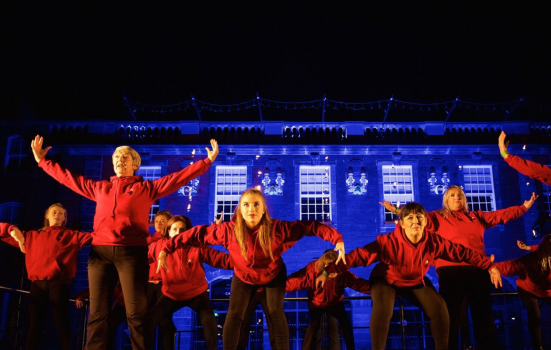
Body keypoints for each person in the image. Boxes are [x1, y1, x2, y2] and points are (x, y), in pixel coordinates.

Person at [30, 135, 219, 350]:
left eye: (126, 157)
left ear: (135, 165)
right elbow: (69, 178)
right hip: (100, 255)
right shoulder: (100, 188)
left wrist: (206, 161)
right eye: (117, 157)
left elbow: (177, 178)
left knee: (136, 314)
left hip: (131, 253)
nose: (120, 159)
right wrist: (42, 161)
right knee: (98, 314)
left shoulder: (147, 188)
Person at [157, 188, 346, 350]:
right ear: (240, 209)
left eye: (256, 204)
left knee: (275, 312)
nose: (251, 209)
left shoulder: (277, 229)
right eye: (246, 205)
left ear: (264, 209)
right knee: (235, 314)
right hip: (244, 277)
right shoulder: (228, 230)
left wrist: (336, 238)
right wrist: (167, 248)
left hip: (273, 275)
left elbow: (309, 227)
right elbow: (198, 234)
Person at [381, 186, 537, 350]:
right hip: (450, 271)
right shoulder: (438, 217)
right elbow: (417, 217)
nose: (457, 198)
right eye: (452, 195)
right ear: (446, 200)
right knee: (451, 316)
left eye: (460, 195)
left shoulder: (476, 217)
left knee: (483, 316)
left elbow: (499, 216)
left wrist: (523, 208)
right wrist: (398, 210)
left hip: (477, 270)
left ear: (464, 199)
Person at [336, 202, 502, 350]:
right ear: (401, 223)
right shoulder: (389, 242)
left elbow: (462, 253)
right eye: (409, 217)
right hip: (387, 280)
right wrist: (329, 270)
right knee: (382, 309)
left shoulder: (434, 241)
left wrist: (489, 266)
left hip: (415, 281)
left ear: (425, 221)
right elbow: (361, 255)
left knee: (439, 309)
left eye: (419, 216)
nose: (415, 221)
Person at [0, 203, 92, 350]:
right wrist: (11, 229)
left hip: (58, 283)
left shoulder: (72, 235)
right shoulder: (32, 236)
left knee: (61, 323)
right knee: (35, 324)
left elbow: (96, 237)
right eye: (54, 212)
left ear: (64, 219)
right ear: (47, 216)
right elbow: (2, 232)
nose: (57, 215)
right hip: (37, 284)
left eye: (61, 213)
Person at [146, 215, 232, 350]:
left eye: (182, 230)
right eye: (174, 229)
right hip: (171, 294)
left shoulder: (196, 247)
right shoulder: (159, 247)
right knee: (148, 322)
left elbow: (219, 259)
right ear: (168, 231)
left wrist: (243, 261)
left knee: (209, 321)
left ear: (187, 232)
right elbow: (138, 259)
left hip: (196, 293)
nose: (178, 233)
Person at [286, 249, 370, 350]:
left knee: (345, 325)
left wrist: (376, 289)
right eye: (327, 266)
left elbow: (358, 283)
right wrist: (278, 287)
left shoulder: (343, 274)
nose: (331, 271)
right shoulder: (313, 271)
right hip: (317, 302)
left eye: (333, 268)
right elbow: (296, 281)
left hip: (335, 302)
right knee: (314, 326)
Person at [494, 234, 551, 350]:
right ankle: (538, 347)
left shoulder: (542, 253)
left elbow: (540, 247)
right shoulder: (535, 259)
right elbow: (512, 266)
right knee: (535, 315)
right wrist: (489, 266)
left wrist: (528, 247)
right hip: (527, 287)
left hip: (546, 290)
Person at [146, 210, 176, 349]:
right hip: (149, 284)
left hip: (164, 284)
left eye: (162, 221)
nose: (158, 224)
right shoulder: (151, 240)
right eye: (157, 221)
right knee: (147, 320)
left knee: (165, 321)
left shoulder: (171, 241)